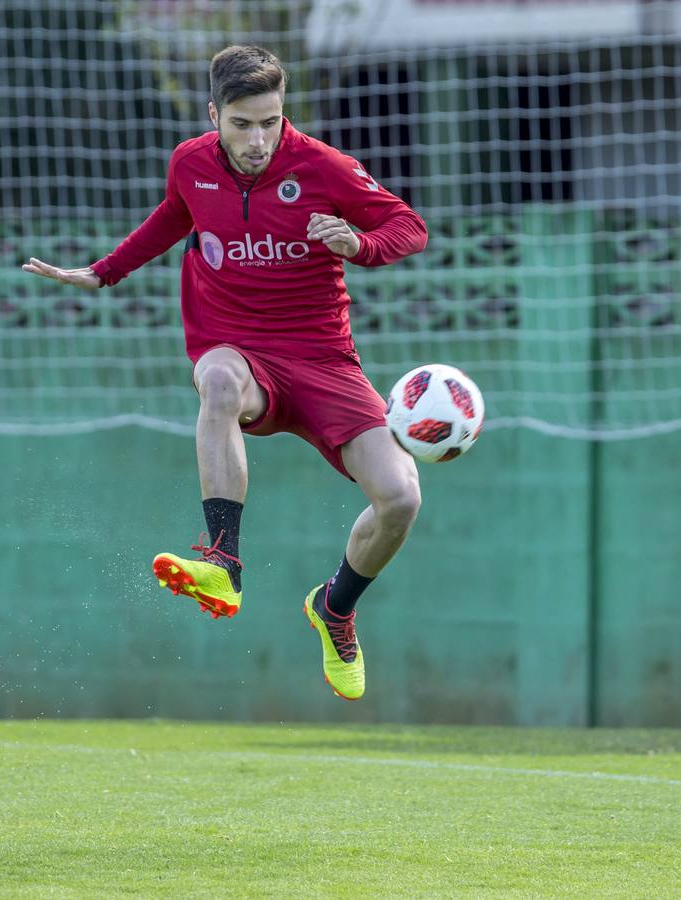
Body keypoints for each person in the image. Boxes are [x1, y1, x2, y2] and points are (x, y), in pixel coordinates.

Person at [22, 46, 427, 701]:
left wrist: (361, 245)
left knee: (402, 499)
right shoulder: (190, 163)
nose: (259, 139)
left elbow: (409, 226)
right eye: (243, 124)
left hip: (324, 360)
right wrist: (103, 271)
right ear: (215, 115)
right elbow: (172, 216)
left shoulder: (322, 167)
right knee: (215, 384)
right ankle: (222, 562)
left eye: (270, 121)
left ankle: (334, 608)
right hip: (235, 347)